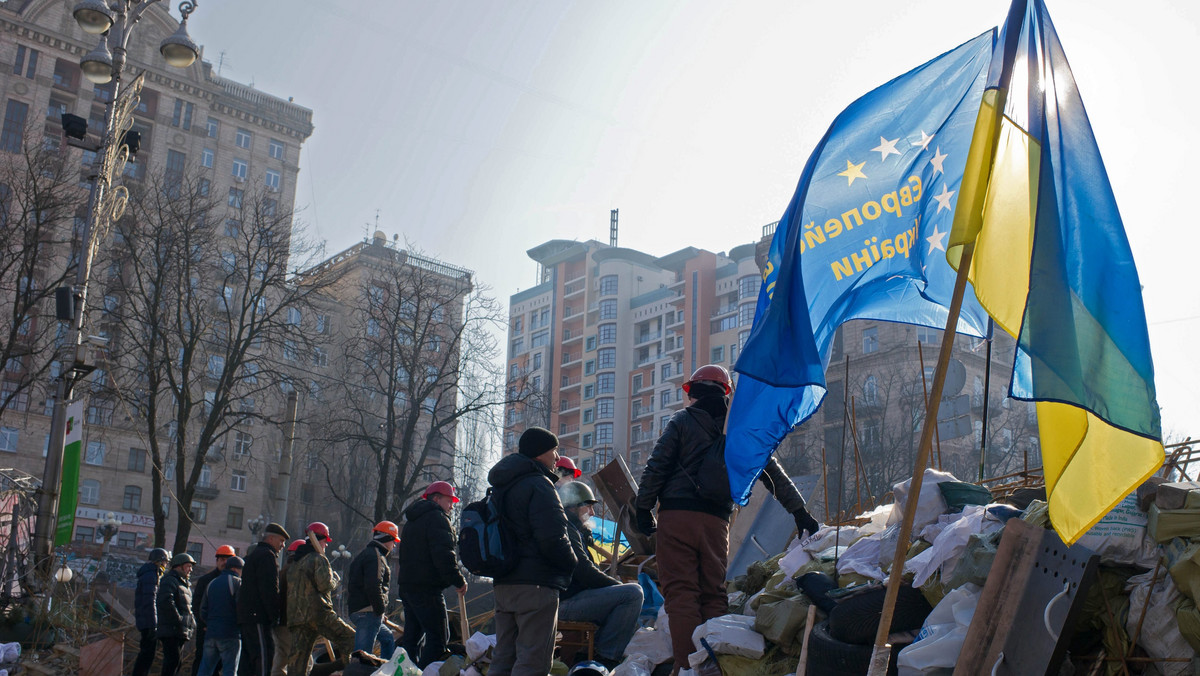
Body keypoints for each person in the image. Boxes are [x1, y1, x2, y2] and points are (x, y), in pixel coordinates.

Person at [635, 364, 821, 673]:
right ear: (726, 393)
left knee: (681, 593)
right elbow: (772, 473)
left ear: (692, 392)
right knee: (713, 592)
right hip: (716, 521)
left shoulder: (681, 421)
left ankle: (688, 667)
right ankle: (716, 666)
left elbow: (657, 466)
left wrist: (643, 508)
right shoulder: (741, 429)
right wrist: (799, 512)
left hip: (677, 517)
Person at [487, 427, 577, 676]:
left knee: (503, 658)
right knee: (533, 661)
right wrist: (571, 563)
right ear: (540, 453)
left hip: (504, 583)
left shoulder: (501, 487)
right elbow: (553, 538)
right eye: (554, 450)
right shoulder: (539, 485)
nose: (557, 458)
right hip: (535, 585)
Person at [557, 482, 643, 668]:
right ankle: (604, 659)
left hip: (570, 600)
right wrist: (616, 586)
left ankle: (585, 656)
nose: (593, 513)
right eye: (588, 506)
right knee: (633, 594)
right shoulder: (567, 530)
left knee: (623, 597)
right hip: (565, 604)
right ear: (573, 506)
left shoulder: (573, 529)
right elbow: (585, 572)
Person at [398, 482, 466, 668]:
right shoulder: (437, 519)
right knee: (439, 637)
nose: (452, 506)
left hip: (408, 587)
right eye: (449, 500)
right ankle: (427, 672)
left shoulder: (412, 521)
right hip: (427, 589)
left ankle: (407, 672)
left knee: (412, 638)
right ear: (436, 499)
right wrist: (457, 579)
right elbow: (444, 554)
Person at [286, 522, 356, 676]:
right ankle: (347, 672)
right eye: (326, 541)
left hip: (296, 618)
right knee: (350, 638)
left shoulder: (295, 563)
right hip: (319, 615)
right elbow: (324, 585)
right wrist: (335, 580)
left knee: (298, 663)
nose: (326, 545)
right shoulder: (318, 558)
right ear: (319, 540)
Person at [238, 522, 290, 676]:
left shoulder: (253, 555)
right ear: (271, 539)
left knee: (247, 661)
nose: (282, 546)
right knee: (264, 657)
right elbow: (269, 589)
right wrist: (275, 615)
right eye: (281, 541)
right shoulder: (267, 556)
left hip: (247, 617)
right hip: (258, 617)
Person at [347, 521, 399, 659]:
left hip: (362, 610)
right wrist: (379, 609)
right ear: (387, 538)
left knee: (388, 638)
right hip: (367, 612)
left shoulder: (364, 554)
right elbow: (373, 585)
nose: (394, 545)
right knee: (362, 657)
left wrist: (379, 611)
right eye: (394, 541)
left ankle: (385, 670)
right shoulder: (376, 557)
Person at [192, 545, 237, 676]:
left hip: (225, 631)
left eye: (227, 559)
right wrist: (204, 624)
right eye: (222, 559)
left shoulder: (235, 581)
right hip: (207, 631)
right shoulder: (206, 580)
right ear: (216, 560)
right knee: (202, 662)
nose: (224, 562)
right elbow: (197, 606)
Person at [198, 556, 245, 676]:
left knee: (205, 669)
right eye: (241, 569)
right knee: (229, 670)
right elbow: (241, 608)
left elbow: (202, 609)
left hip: (211, 633)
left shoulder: (212, 583)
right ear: (235, 569)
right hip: (230, 634)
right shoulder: (237, 583)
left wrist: (209, 624)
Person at [157, 553, 197, 676]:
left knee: (176, 662)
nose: (190, 569)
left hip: (180, 630)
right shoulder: (170, 581)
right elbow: (166, 601)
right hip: (171, 629)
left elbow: (187, 607)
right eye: (188, 566)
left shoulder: (183, 583)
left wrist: (191, 623)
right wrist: (179, 620)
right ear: (178, 566)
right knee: (172, 661)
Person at [132, 547, 170, 676]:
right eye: (165, 562)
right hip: (148, 622)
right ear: (159, 562)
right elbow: (150, 600)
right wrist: (153, 625)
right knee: (147, 655)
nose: (166, 565)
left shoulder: (149, 574)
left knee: (145, 653)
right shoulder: (151, 576)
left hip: (145, 620)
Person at [271, 539, 305, 676]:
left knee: (281, 659)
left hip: (281, 623)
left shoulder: (284, 570)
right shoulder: (297, 571)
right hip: (290, 624)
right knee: (302, 661)